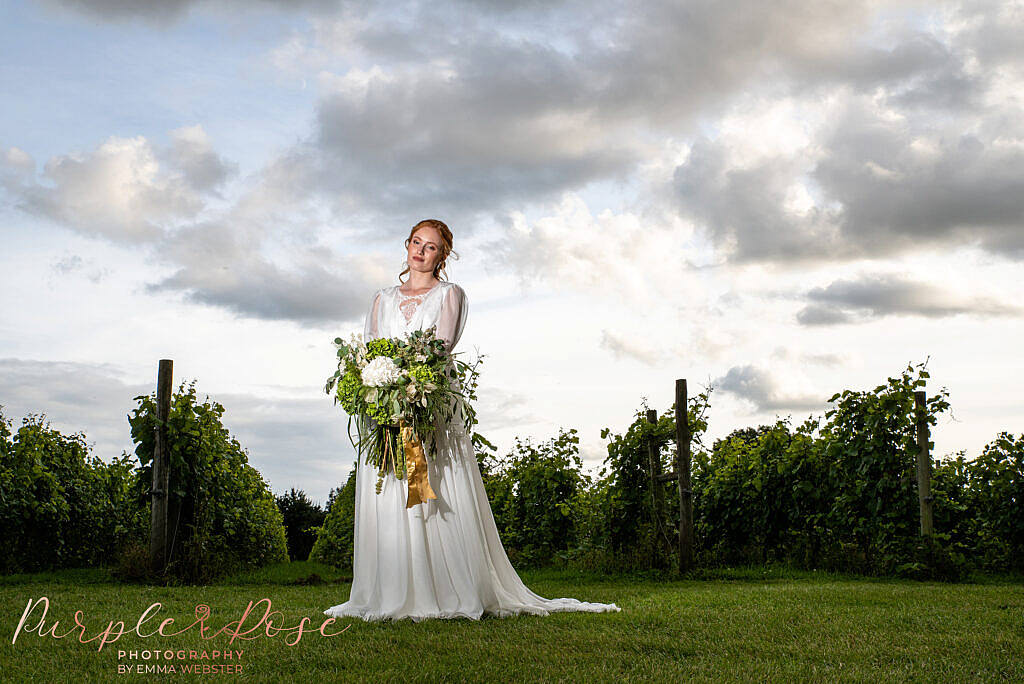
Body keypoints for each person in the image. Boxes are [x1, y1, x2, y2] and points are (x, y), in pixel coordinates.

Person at [323, 219, 621, 622]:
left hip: (431, 410)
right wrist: (381, 388)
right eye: (415, 242)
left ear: (442, 256)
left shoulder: (450, 294)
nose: (420, 251)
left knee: (437, 485)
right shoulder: (382, 298)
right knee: (392, 487)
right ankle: (391, 588)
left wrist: (411, 385)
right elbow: (372, 349)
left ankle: (448, 588)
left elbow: (443, 346)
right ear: (406, 245)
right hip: (388, 412)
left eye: (430, 247)